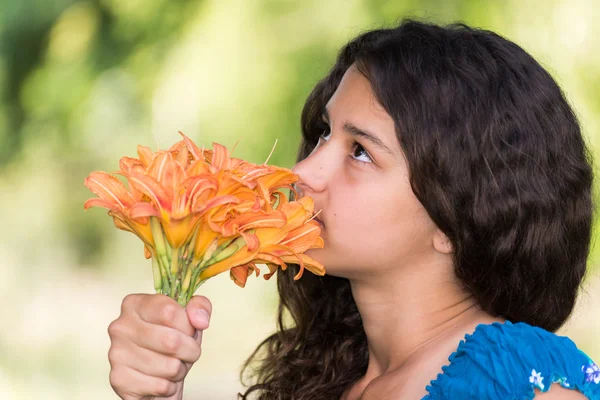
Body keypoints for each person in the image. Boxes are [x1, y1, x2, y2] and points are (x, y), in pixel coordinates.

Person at [106, 19, 600, 399]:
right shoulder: (332, 374)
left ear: (458, 214)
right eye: (324, 133)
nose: (302, 173)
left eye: (360, 151)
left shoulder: (518, 379)